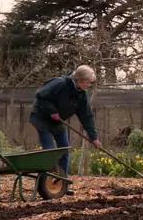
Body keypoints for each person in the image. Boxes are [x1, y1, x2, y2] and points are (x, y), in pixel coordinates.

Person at [29, 65, 102, 196]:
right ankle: (48, 185)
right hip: (41, 118)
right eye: (87, 82)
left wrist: (93, 137)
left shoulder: (81, 95)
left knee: (64, 149)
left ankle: (62, 183)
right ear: (79, 80)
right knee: (50, 152)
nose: (88, 85)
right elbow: (40, 95)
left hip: (57, 121)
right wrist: (52, 111)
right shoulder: (60, 83)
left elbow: (86, 117)